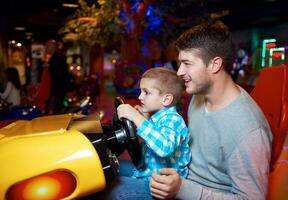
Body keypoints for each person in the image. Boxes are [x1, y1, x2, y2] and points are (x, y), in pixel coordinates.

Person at [102, 20, 272, 200]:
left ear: (214, 64)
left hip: (191, 191)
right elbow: (178, 136)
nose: (179, 72)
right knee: (105, 169)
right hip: (177, 173)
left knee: (111, 191)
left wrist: (182, 189)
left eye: (187, 63)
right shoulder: (199, 96)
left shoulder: (249, 130)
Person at [117, 67, 191, 179]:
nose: (140, 97)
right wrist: (144, 119)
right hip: (146, 171)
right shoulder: (158, 118)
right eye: (141, 91)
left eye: (146, 92)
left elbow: (164, 147)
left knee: (111, 190)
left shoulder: (173, 120)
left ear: (166, 99)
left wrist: (136, 117)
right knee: (111, 166)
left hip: (160, 185)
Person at [45, 39, 70, 114]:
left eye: (48, 46)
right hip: (58, 90)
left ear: (52, 47)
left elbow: (57, 76)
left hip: (56, 90)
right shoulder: (57, 57)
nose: (46, 48)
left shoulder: (55, 59)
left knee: (53, 112)